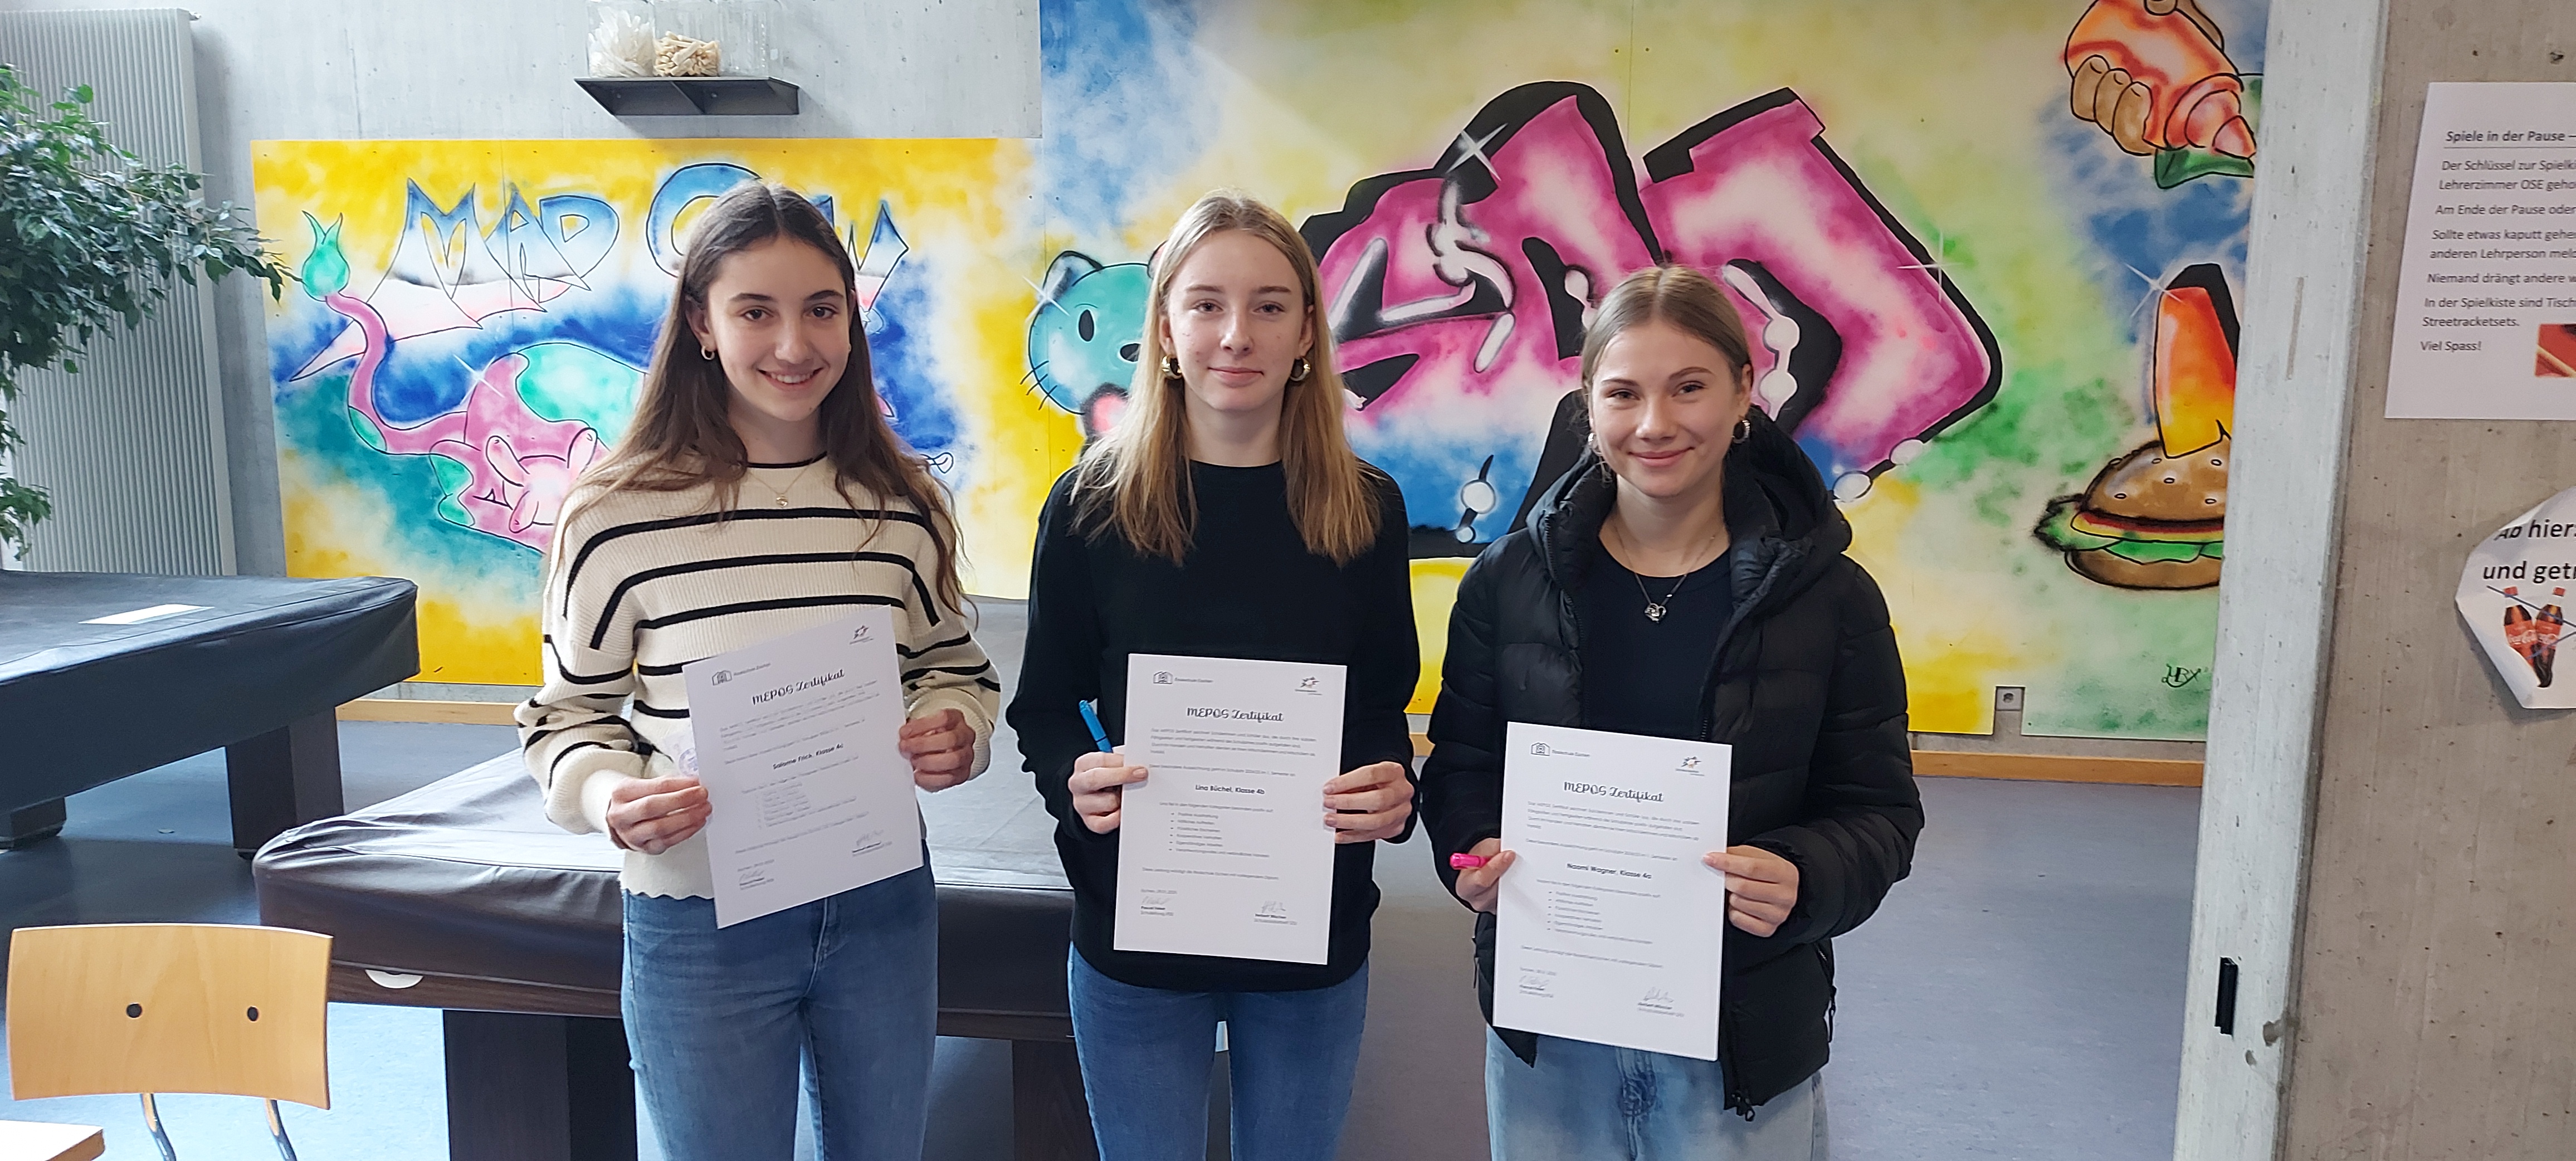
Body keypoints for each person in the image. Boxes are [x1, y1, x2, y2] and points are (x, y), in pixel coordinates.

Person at [517, 182, 997, 1161]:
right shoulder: (614, 514)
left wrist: (959, 730)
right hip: (700, 919)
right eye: (754, 312)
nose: (794, 344)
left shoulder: (903, 504)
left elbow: (952, 667)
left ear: (851, 319)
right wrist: (609, 797)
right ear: (701, 322)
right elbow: (565, 715)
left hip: (880, 901)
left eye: (821, 309)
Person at [1418, 264, 1921, 1159]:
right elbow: (1461, 768)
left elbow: (1879, 813)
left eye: (1689, 387)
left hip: (1739, 1037)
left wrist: (1803, 876)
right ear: (1588, 403)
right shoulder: (1508, 582)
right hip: (1554, 1033)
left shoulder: (1830, 597)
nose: (1655, 423)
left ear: (1743, 391)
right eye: (1624, 393)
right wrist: (1473, 852)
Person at [1009, 191, 1418, 1161]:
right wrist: (1076, 780)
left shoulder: (1366, 509)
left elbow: (1380, 709)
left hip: (1308, 929)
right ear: (1164, 328)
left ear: (1307, 331)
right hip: (1138, 930)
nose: (1237, 334)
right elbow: (1044, 711)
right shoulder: (1091, 506)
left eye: (1270, 306)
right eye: (1206, 304)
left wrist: (1391, 790)